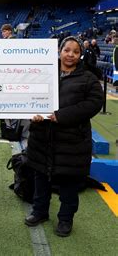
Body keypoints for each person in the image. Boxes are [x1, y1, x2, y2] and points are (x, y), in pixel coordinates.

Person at [24, 36, 104, 237]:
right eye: (66, 50)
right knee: (40, 179)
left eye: (75, 52)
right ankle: (39, 212)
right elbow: (27, 96)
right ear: (59, 51)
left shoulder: (88, 78)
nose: (70, 55)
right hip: (42, 138)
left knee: (69, 185)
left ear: (80, 54)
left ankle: (65, 219)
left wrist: (60, 116)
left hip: (72, 142)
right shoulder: (44, 73)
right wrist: (31, 113)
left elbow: (93, 104)